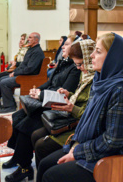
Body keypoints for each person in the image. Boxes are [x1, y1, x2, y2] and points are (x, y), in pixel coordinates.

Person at [36, 33, 123, 182]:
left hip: (110, 158)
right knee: (45, 164)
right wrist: (76, 146)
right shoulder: (101, 81)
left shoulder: (121, 89)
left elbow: (113, 140)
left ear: (113, 58)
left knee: (50, 175)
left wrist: (78, 152)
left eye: (98, 51)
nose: (91, 55)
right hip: (91, 145)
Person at [2, 35, 81, 182]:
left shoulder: (75, 69)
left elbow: (64, 91)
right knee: (17, 116)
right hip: (46, 100)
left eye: (66, 45)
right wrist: (36, 90)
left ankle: (24, 168)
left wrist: (41, 94)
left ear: (76, 49)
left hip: (56, 107)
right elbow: (49, 83)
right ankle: (17, 157)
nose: (62, 47)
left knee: (26, 124)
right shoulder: (63, 63)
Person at [32, 39, 96, 169]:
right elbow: (81, 97)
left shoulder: (96, 80)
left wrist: (71, 107)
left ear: (90, 58)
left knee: (41, 145)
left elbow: (90, 113)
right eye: (77, 65)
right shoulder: (85, 75)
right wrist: (69, 94)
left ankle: (45, 172)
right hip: (72, 117)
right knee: (35, 135)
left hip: (78, 125)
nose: (79, 68)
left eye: (80, 64)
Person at [0, 32, 44, 113]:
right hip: (26, 75)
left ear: (36, 40)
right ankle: (8, 103)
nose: (28, 40)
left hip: (30, 77)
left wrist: (15, 73)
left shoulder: (37, 52)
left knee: (4, 82)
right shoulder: (31, 49)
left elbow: (30, 69)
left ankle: (10, 106)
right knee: (2, 78)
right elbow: (23, 65)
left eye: (30, 38)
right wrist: (15, 72)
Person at [0, 33, 29, 106]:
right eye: (20, 39)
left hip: (19, 71)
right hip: (16, 69)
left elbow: (23, 63)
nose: (21, 41)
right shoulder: (22, 49)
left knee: (0, 77)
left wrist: (15, 63)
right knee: (0, 76)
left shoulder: (27, 50)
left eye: (23, 39)